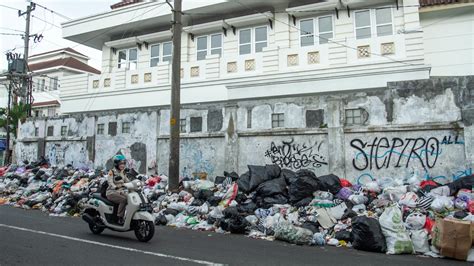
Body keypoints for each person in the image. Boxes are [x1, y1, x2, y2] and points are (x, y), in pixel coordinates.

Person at [106, 154, 129, 225]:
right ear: (116, 164)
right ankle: (120, 218)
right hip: (111, 192)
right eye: (121, 164)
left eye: (124, 163)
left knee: (130, 198)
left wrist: (135, 183)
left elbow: (127, 181)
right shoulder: (111, 172)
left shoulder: (122, 172)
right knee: (124, 200)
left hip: (120, 191)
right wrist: (115, 187)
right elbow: (110, 182)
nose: (123, 165)